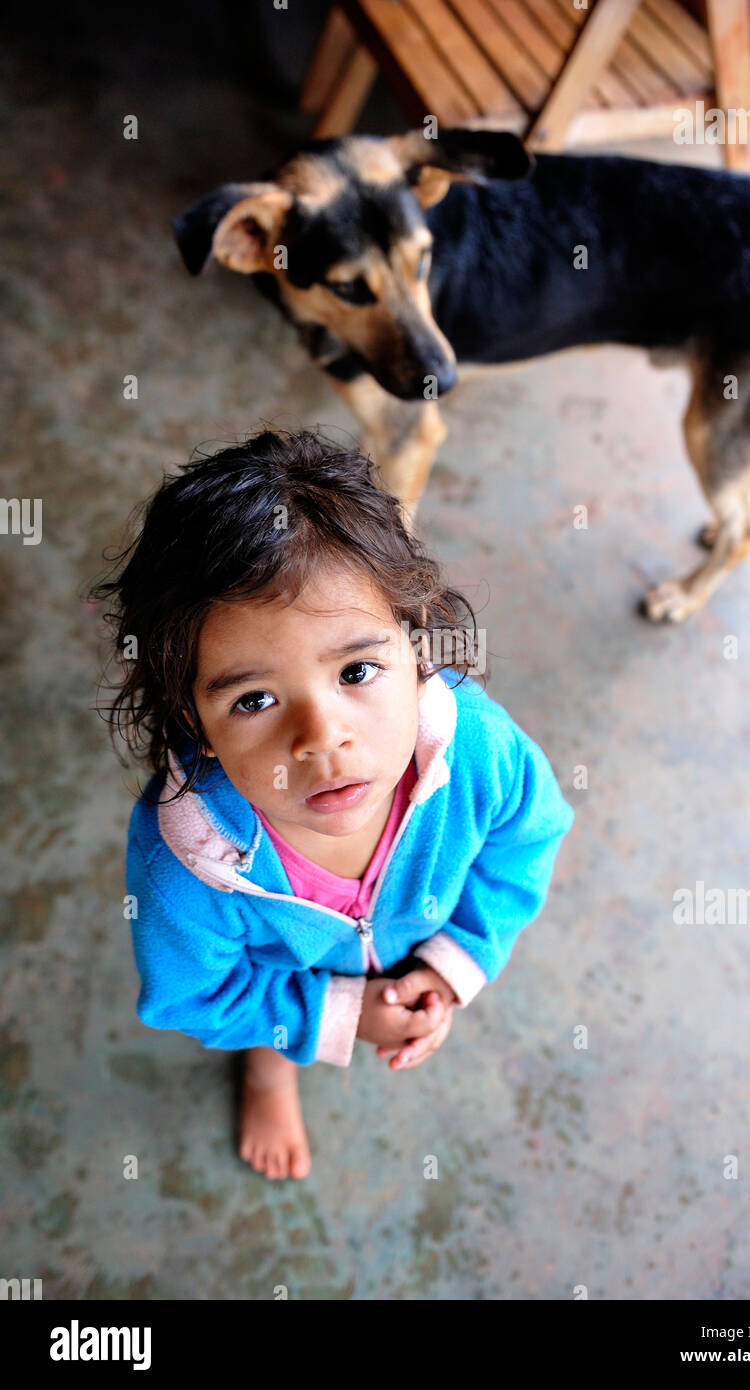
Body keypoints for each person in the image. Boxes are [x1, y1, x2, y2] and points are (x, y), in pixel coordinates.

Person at [92, 428, 574, 1180]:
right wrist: (337, 1015)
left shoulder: (477, 750)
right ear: (196, 727)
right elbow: (197, 993)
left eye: (356, 670)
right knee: (268, 1023)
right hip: (281, 977)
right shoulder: (188, 860)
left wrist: (454, 962)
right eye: (253, 698)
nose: (321, 738)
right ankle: (267, 1073)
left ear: (416, 648)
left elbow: (525, 840)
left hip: (418, 932)